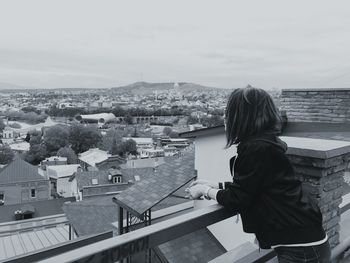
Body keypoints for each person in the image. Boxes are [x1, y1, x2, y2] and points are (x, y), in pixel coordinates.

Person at [187, 86, 331, 263]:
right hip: (306, 242)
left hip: (300, 250)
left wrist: (204, 190)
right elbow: (255, 185)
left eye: (229, 112)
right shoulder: (266, 144)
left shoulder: (256, 149)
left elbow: (238, 198)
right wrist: (216, 185)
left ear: (242, 117)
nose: (225, 117)